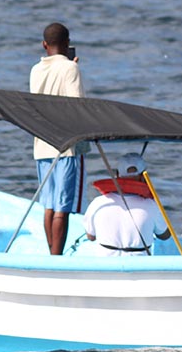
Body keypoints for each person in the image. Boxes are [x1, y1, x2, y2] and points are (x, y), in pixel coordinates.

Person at [30, 22, 85, 255]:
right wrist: (72, 69)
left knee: (49, 206)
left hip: (42, 144)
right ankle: (56, 258)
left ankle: (51, 253)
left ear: (44, 45)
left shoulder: (35, 70)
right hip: (66, 146)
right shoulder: (70, 69)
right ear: (67, 43)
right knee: (63, 207)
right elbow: (77, 106)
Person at [83, 153, 171, 256]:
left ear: (117, 174)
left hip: (106, 265)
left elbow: (91, 236)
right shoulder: (150, 205)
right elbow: (165, 235)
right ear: (143, 176)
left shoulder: (98, 203)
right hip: (139, 266)